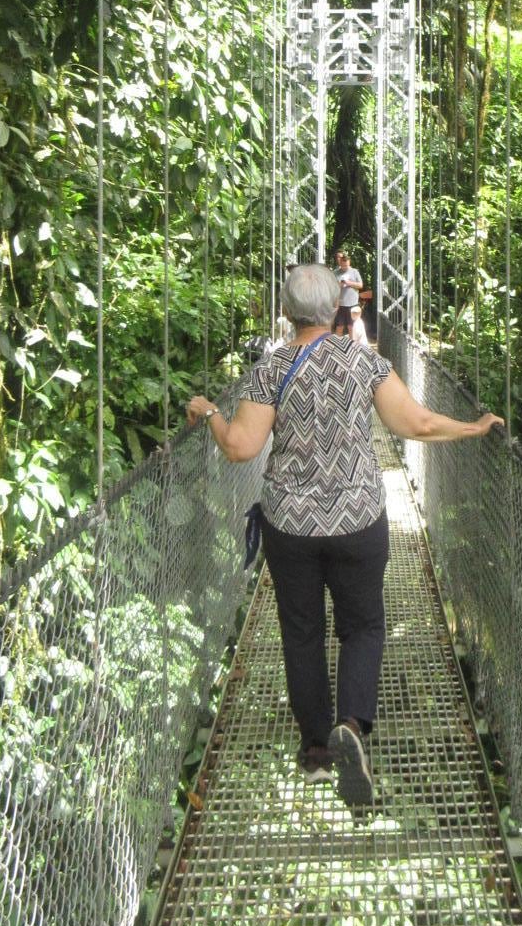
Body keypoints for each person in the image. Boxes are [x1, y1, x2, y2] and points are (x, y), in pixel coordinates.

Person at [186, 261, 502, 805]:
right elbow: (416, 424)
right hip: (358, 520)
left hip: (291, 527)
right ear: (337, 307)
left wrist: (211, 411)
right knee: (363, 627)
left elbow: (239, 446)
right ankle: (351, 725)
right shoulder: (364, 363)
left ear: (286, 312)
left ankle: (314, 750)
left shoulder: (269, 369)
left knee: (301, 632)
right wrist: (472, 428)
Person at [332, 250, 363, 336]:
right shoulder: (335, 273)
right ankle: (338, 347)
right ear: (340, 263)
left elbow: (360, 285)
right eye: (343, 266)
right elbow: (331, 287)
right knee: (339, 327)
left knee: (351, 327)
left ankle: (352, 347)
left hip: (353, 304)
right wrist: (339, 285)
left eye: (347, 265)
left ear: (349, 263)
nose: (345, 267)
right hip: (340, 304)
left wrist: (349, 283)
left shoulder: (354, 272)